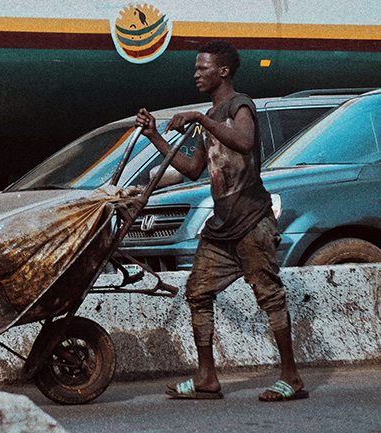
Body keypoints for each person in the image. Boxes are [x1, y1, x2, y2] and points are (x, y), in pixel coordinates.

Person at [135, 40, 308, 402]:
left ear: (223, 71)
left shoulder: (239, 105)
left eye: (203, 68)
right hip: (221, 227)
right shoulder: (212, 115)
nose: (196, 74)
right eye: (197, 68)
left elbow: (244, 143)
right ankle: (206, 378)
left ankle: (291, 377)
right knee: (198, 292)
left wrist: (202, 119)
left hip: (252, 221)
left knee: (269, 297)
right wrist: (153, 135)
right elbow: (191, 169)